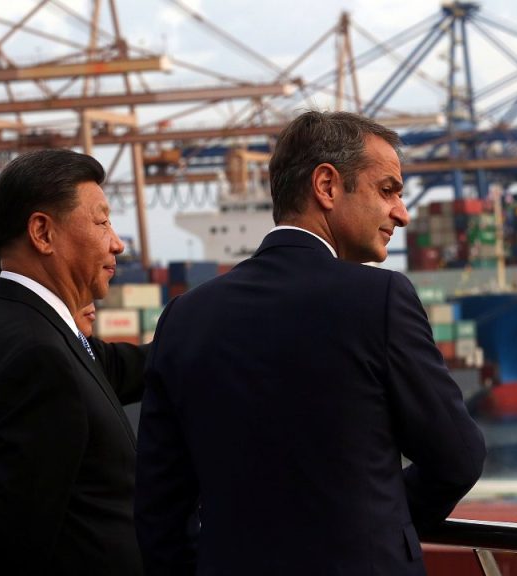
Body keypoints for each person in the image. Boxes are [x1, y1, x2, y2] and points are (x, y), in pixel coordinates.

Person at [135, 111, 486, 575]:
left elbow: (160, 510)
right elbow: (457, 458)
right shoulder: (380, 297)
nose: (401, 213)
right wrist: (376, 526)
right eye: (388, 190)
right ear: (326, 186)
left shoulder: (184, 315)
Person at [0, 149, 143, 576]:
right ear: (42, 233)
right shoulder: (38, 357)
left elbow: (114, 367)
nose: (116, 242)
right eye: (102, 222)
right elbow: (8, 548)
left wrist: (205, 327)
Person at [0, 237, 147, 389]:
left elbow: (140, 363)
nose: (94, 295)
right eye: (75, 278)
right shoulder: (41, 361)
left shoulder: (83, 351)